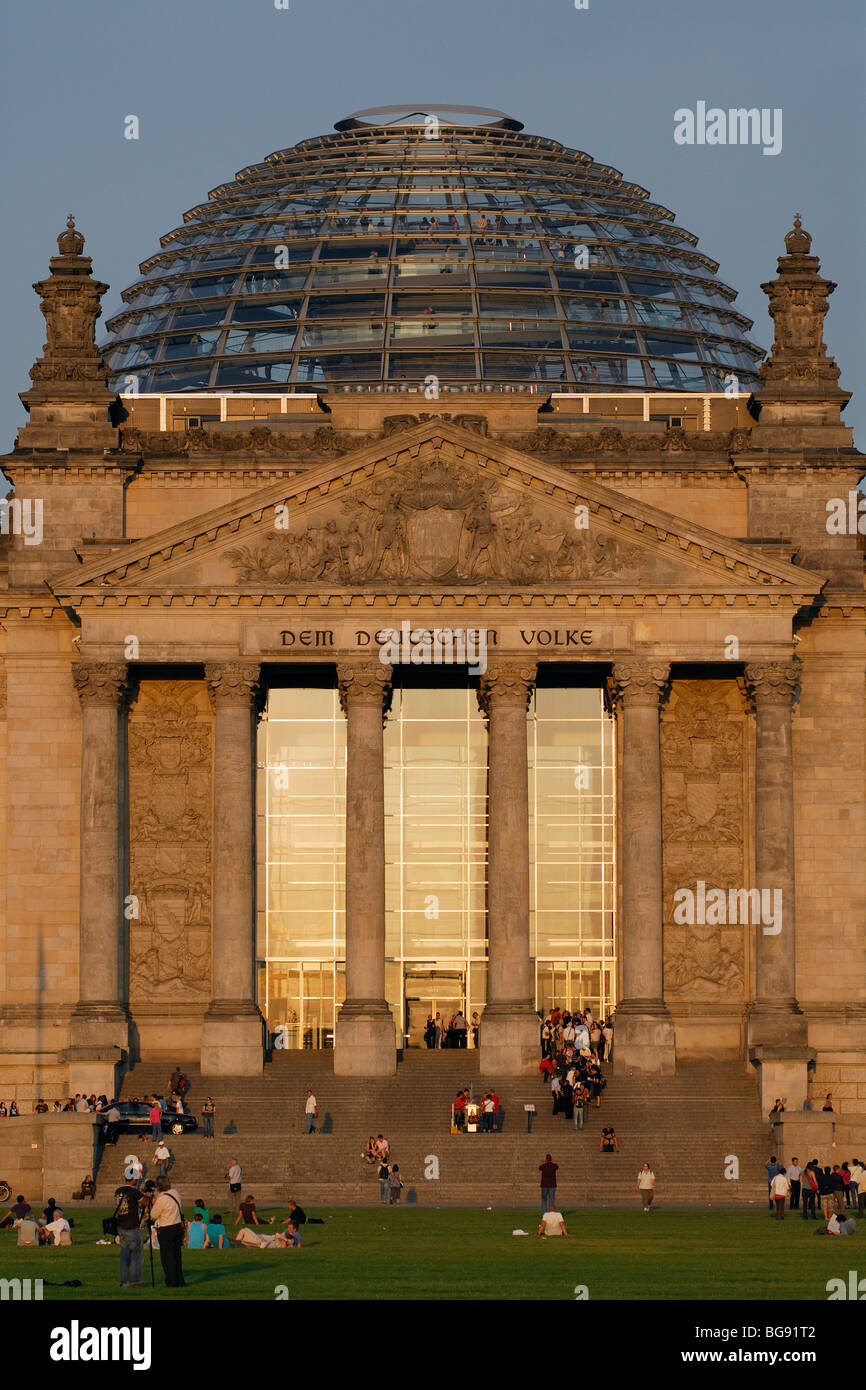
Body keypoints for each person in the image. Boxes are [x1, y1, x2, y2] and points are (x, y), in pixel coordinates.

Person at [149, 1176, 185, 1288]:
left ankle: (171, 1281)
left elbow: (153, 1215)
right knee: (176, 1255)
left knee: (167, 1257)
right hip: (177, 1226)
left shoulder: (161, 1199)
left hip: (166, 1228)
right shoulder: (175, 1193)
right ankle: (179, 1280)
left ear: (158, 1187)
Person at [114, 1182, 144, 1288]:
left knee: (124, 1256)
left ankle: (124, 1281)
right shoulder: (134, 1192)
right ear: (134, 1179)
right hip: (132, 1226)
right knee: (136, 1255)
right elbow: (145, 1202)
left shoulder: (118, 1191)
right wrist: (146, 1195)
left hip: (121, 1226)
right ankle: (133, 1281)